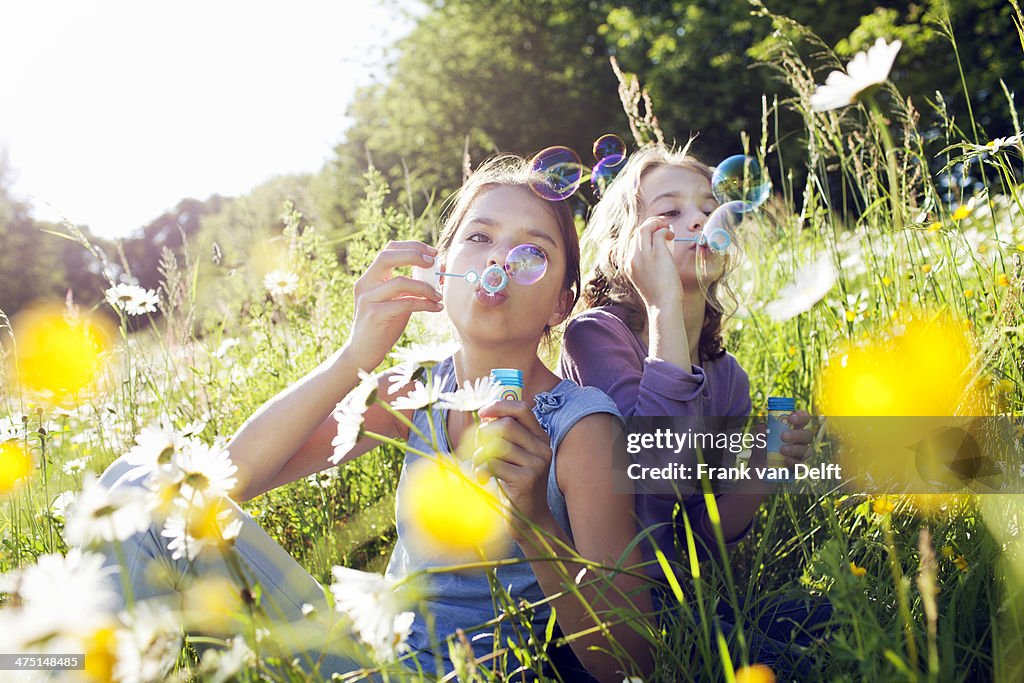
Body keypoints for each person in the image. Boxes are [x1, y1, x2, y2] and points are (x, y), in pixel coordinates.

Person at [97, 155, 653, 681]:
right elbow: (227, 480)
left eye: (532, 252)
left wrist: (534, 520)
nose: (498, 262)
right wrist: (353, 358)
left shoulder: (580, 427)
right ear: (441, 271)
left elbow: (630, 664)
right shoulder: (414, 392)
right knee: (139, 481)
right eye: (479, 237)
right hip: (369, 654)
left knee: (142, 489)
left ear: (562, 302)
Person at [558, 144, 823, 668]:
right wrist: (661, 305)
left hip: (686, 593)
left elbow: (708, 531)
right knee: (782, 663)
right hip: (604, 607)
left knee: (828, 619)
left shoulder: (728, 377)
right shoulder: (595, 336)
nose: (701, 218)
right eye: (671, 211)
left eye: (710, 205)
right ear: (623, 248)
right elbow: (654, 467)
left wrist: (764, 473)